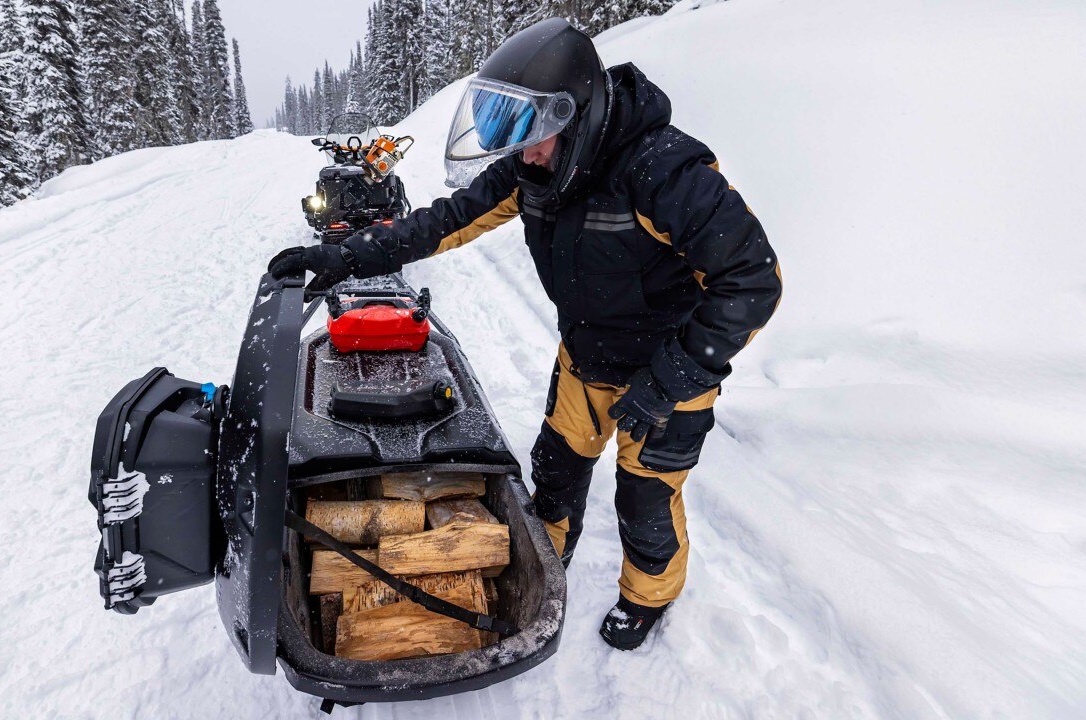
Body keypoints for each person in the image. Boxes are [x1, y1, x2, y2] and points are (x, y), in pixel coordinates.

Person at [269, 18, 782, 650]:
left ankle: (647, 598)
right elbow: (442, 222)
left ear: (584, 117)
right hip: (586, 355)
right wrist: (342, 258)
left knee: (646, 501)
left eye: (540, 140)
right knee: (556, 471)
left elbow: (753, 281)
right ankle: (545, 566)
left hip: (670, 372)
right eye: (520, 141)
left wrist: (672, 379)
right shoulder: (535, 169)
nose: (527, 155)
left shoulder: (663, 171)